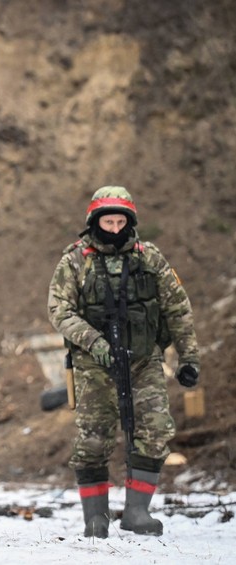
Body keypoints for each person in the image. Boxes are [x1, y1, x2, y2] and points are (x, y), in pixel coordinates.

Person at [48, 186, 200, 538]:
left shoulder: (150, 258)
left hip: (144, 359)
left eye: (120, 221)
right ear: (94, 221)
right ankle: (95, 517)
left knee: (154, 430)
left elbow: (178, 309)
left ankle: (136, 511)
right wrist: (93, 342)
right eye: (108, 221)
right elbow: (59, 311)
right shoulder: (75, 260)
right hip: (93, 364)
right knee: (94, 438)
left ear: (129, 222)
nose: (114, 228)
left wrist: (189, 358)